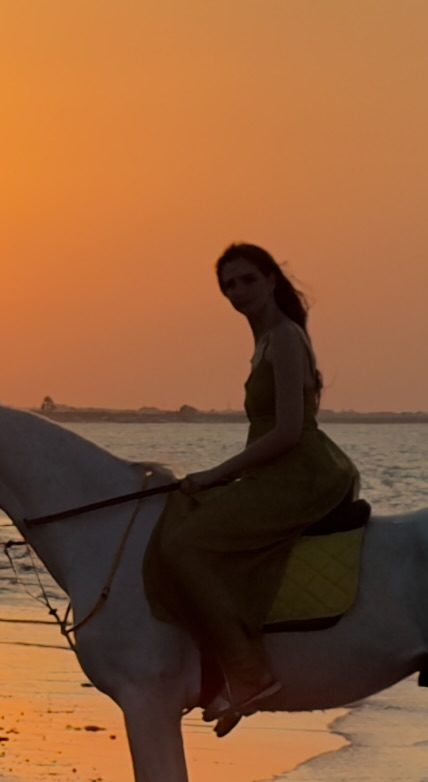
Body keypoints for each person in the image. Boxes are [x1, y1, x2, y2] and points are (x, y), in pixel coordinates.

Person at [143, 241, 358, 731]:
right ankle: (214, 672)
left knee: (183, 547)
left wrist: (219, 473)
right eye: (228, 286)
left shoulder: (283, 338)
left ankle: (248, 670)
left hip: (302, 475)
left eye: (246, 280)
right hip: (276, 472)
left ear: (270, 281)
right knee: (180, 516)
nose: (238, 292)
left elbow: (285, 432)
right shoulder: (263, 341)